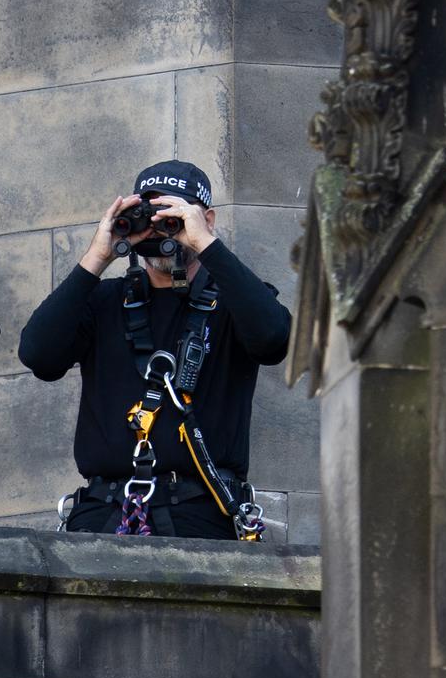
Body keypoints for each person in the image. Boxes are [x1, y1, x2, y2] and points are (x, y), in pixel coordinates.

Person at [18, 160, 290, 539]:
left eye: (173, 215)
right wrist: (99, 255)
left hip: (200, 515)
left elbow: (273, 338)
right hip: (103, 513)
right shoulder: (102, 301)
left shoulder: (236, 301)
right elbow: (38, 356)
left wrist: (206, 245)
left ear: (206, 219)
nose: (161, 226)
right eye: (150, 214)